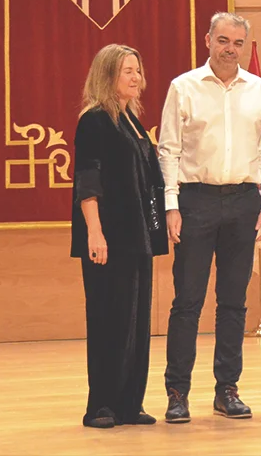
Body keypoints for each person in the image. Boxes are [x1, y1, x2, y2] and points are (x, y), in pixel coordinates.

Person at [158, 12, 261, 423]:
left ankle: (227, 388)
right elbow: (168, 150)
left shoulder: (259, 89)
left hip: (245, 201)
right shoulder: (184, 87)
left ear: (245, 46)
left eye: (238, 42)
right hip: (196, 201)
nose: (230, 49)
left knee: (234, 303)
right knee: (187, 301)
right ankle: (178, 391)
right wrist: (171, 205)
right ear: (208, 39)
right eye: (223, 40)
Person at [70, 44, 169, 429]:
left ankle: (130, 403)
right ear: (107, 74)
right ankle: (101, 405)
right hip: (108, 238)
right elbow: (88, 180)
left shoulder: (131, 120)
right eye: (127, 70)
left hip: (137, 237)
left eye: (137, 70)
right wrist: (95, 231)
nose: (135, 77)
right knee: (108, 319)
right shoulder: (94, 120)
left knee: (135, 321)